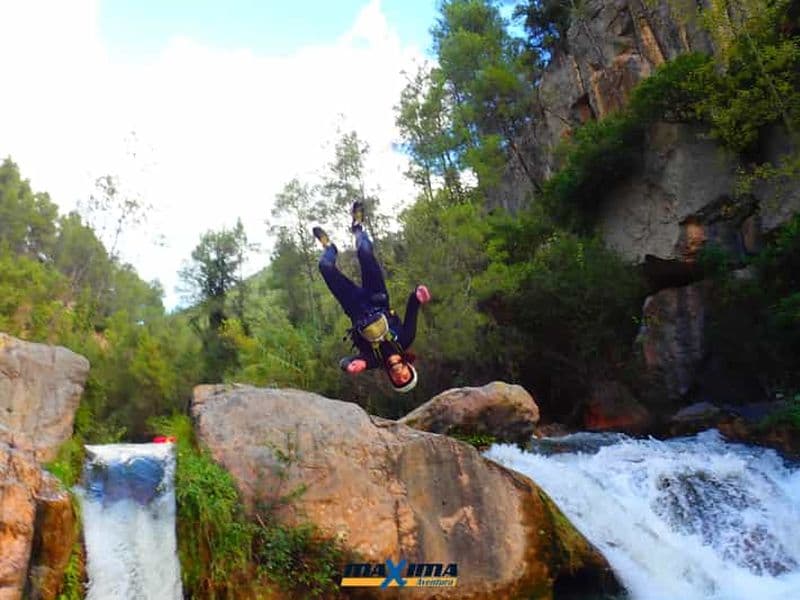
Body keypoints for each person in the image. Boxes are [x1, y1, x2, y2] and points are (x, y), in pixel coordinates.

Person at [313, 201, 431, 393]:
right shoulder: (405, 339)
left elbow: (346, 361)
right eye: (405, 376)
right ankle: (358, 228)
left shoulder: (373, 360)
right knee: (365, 251)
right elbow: (412, 308)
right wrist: (419, 295)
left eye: (397, 380)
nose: (399, 375)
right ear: (409, 368)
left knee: (325, 267)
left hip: (354, 307)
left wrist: (351, 366)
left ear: (390, 377)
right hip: (378, 297)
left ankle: (329, 249)